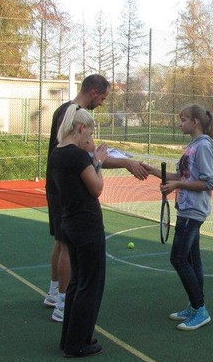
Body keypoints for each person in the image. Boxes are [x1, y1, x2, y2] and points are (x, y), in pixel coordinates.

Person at [44, 75, 148, 322]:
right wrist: (121, 162)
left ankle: (54, 293)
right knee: (68, 245)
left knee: (61, 241)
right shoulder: (73, 115)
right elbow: (85, 160)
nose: (102, 103)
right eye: (103, 98)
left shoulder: (65, 111)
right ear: (93, 92)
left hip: (58, 187)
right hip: (68, 192)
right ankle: (63, 302)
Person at [144, 104, 213, 330]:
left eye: (183, 120)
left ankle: (200, 309)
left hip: (193, 211)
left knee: (178, 258)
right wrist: (153, 171)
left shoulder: (203, 146)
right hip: (186, 209)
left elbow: (210, 182)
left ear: (195, 122)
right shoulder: (193, 145)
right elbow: (182, 176)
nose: (180, 124)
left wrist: (177, 185)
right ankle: (195, 306)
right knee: (192, 259)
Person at [47, 104, 108, 357]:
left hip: (70, 223)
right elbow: (96, 188)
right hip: (87, 225)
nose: (90, 139)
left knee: (76, 283)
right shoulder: (77, 156)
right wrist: (98, 162)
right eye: (89, 133)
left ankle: (69, 339)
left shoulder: (57, 153)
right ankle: (79, 342)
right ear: (80, 128)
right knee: (90, 285)